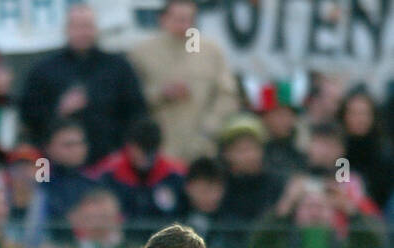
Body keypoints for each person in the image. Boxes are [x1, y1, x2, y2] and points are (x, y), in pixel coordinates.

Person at [18, 3, 146, 164]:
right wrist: (59, 110)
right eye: (77, 26)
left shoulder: (118, 67)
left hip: (109, 161)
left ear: (96, 29)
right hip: (59, 166)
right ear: (66, 29)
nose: (83, 32)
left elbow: (137, 112)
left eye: (88, 26)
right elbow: (29, 115)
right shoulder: (44, 70)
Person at [127, 0, 239, 164]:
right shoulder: (142, 52)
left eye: (190, 19)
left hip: (202, 146)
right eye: (179, 19)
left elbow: (227, 94)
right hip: (158, 148)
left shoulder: (209, 50)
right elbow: (129, 96)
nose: (185, 25)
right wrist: (159, 94)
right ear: (163, 19)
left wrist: (210, 128)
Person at [88, 117, 186, 224]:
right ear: (129, 146)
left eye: (150, 150)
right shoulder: (108, 173)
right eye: (141, 149)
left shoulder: (175, 174)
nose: (146, 156)